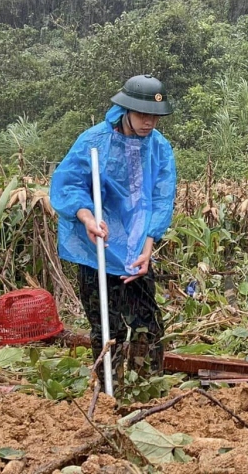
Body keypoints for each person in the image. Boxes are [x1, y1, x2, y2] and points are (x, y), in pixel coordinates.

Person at [50, 75, 177, 380]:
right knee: (107, 325)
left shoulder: (160, 148)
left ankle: (146, 385)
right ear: (126, 111)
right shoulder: (95, 141)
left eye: (155, 117)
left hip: (137, 251)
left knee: (147, 323)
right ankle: (110, 386)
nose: (149, 123)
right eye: (143, 115)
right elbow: (69, 185)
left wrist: (147, 249)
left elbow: (161, 199)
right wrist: (88, 218)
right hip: (98, 247)